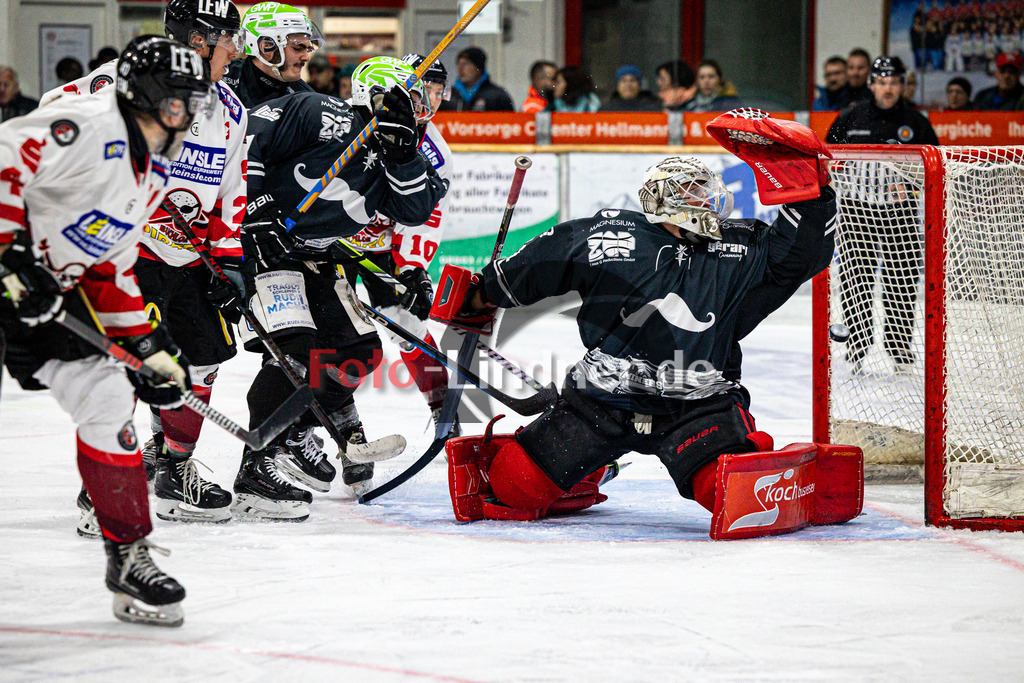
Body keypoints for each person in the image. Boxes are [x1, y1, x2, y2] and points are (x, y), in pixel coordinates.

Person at [435, 144, 845, 537]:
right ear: (664, 201)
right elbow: (537, 264)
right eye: (693, 192)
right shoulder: (610, 234)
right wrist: (480, 294)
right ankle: (590, 470)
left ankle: (755, 457)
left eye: (706, 190)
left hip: (696, 408)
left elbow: (801, 252)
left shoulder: (739, 245)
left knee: (727, 492)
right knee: (513, 485)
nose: (707, 200)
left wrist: (811, 194)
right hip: (601, 403)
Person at [0, 35, 215, 626]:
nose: (188, 117)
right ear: (142, 97)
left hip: (42, 292)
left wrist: (145, 344)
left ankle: (128, 555)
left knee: (110, 396)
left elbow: (108, 265)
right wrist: (8, 256)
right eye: (178, 104)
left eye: (194, 105)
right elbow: (1, 157)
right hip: (17, 278)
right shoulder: (88, 126)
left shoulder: (152, 168)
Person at [42, 0, 249, 529]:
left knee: (204, 361)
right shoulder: (123, 79)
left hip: (189, 259)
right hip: (129, 254)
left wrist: (229, 265)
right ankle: (103, 489)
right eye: (229, 38)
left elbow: (231, 191)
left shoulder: (230, 108)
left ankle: (174, 476)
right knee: (125, 368)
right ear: (198, 40)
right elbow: (53, 111)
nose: (237, 49)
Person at [236, 56, 447, 517]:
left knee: (359, 351)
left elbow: (415, 210)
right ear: (377, 97)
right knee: (296, 352)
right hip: (267, 243)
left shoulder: (404, 150)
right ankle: (256, 467)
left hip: (319, 252)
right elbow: (247, 137)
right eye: (406, 100)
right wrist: (256, 208)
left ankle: (297, 428)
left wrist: (403, 152)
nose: (416, 108)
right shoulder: (317, 110)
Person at [344, 54, 456, 491]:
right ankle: (341, 433)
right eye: (422, 89)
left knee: (408, 325)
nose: (429, 100)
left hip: (380, 248)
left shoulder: (435, 151)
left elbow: (426, 215)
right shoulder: (351, 125)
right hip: (330, 244)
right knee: (336, 338)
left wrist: (412, 269)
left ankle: (444, 410)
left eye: (436, 90)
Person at [827, 56, 939, 373]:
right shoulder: (850, 118)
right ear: (872, 84)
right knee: (855, 281)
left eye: (894, 82)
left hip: (900, 214)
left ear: (902, 85)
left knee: (902, 283)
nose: (888, 89)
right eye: (882, 82)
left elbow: (933, 169)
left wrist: (913, 183)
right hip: (856, 212)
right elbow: (828, 158)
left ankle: (899, 351)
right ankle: (857, 348)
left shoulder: (917, 123)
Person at [223, 2, 323, 109]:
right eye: (297, 48)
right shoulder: (221, 76)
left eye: (307, 49)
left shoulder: (306, 100)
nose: (306, 57)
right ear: (266, 47)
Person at [443, 46, 514, 111]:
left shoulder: (497, 97)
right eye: (459, 64)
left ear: (478, 69)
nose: (460, 68)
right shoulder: (448, 96)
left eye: (466, 64)